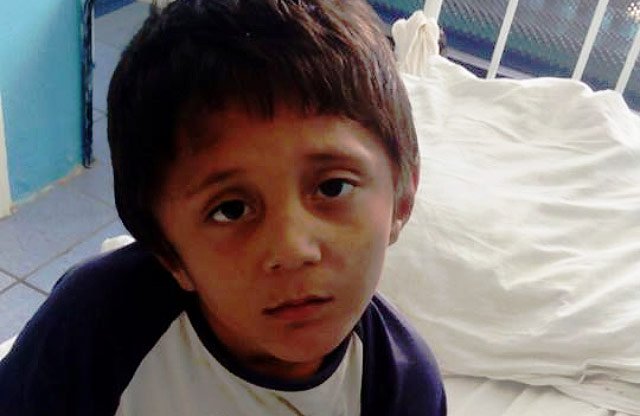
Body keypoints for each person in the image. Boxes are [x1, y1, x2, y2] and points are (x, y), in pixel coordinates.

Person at [0, 0, 446, 414]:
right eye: (231, 210)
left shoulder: (401, 388)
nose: (292, 249)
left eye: (332, 187)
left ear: (402, 196)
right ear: (169, 253)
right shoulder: (94, 330)